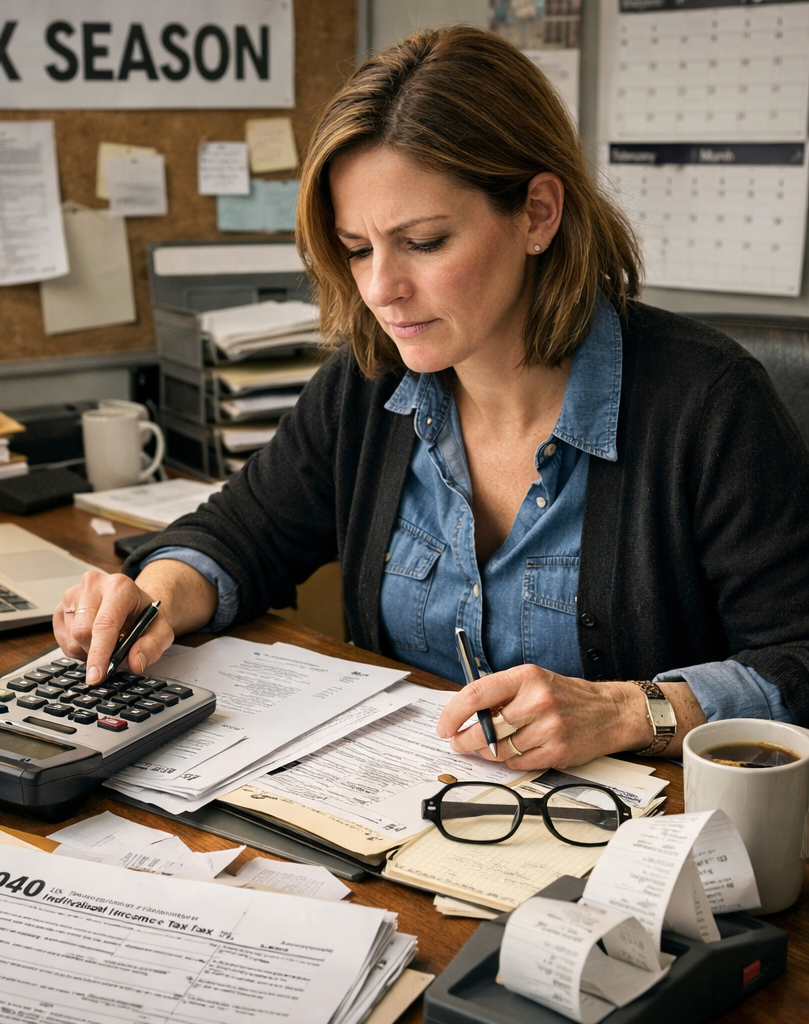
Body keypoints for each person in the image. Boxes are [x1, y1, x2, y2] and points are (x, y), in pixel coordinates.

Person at [54, 27, 809, 769]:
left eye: (423, 242)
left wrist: (625, 711)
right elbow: (243, 534)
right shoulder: (369, 382)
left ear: (538, 214)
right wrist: (152, 596)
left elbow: (798, 657)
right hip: (398, 815)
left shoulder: (707, 403)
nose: (382, 289)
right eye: (358, 248)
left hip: (633, 845)